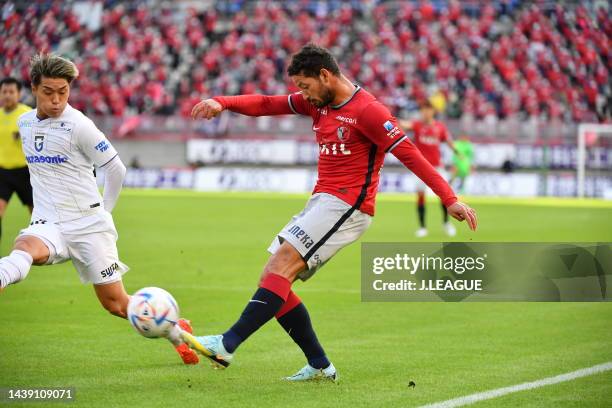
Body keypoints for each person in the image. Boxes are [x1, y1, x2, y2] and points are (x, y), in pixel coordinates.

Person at [179, 44, 477, 381]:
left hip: (349, 205)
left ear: (324, 75)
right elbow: (266, 103)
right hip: (323, 201)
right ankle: (319, 365)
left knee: (281, 265)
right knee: (274, 277)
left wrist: (449, 197)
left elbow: (410, 153)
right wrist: (224, 102)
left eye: (304, 86)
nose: (301, 94)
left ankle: (226, 344)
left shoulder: (369, 111)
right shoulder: (316, 101)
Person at [0, 54, 199, 365]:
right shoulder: (25, 122)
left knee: (118, 305)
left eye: (63, 92)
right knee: (24, 247)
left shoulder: (79, 125)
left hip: (89, 225)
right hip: (49, 223)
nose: (56, 100)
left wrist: (105, 211)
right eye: (48, 91)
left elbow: (116, 169)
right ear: (34, 87)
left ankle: (177, 332)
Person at [399, 100, 458, 238]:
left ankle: (446, 223)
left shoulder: (440, 127)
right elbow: (405, 125)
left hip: (437, 167)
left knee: (444, 196)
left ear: (433, 111)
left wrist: (457, 152)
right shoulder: (417, 125)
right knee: (420, 196)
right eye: (423, 109)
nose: (425, 112)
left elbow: (449, 141)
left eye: (428, 109)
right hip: (420, 168)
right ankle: (422, 227)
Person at [0, 77, 34, 246]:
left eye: (11, 92)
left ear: (19, 94)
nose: (7, 95)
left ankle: (48, 245)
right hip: (2, 173)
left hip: (25, 172)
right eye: (4, 92)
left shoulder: (27, 115)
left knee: (36, 213)